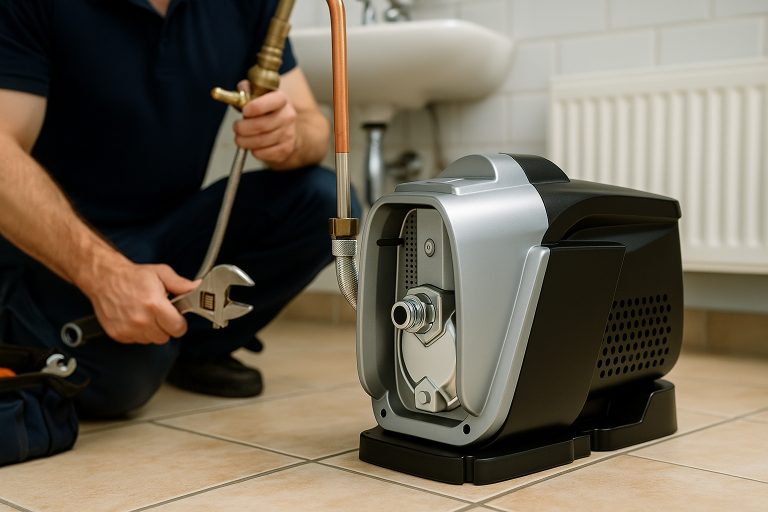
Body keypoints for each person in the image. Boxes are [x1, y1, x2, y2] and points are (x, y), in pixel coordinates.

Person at [0, 0, 358, 417]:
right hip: (57, 250)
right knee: (121, 380)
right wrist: (102, 274)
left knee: (324, 199)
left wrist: (288, 136)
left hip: (167, 233)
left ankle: (193, 348)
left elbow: (311, 123)